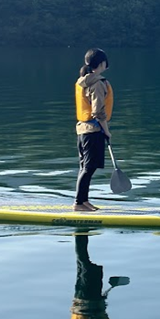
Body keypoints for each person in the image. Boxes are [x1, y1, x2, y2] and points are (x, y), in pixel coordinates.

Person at [74, 47, 113, 212]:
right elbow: (98, 112)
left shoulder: (83, 80)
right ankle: (78, 203)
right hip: (93, 130)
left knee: (86, 167)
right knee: (89, 168)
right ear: (102, 63)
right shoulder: (97, 83)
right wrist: (107, 131)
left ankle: (84, 201)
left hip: (83, 130)